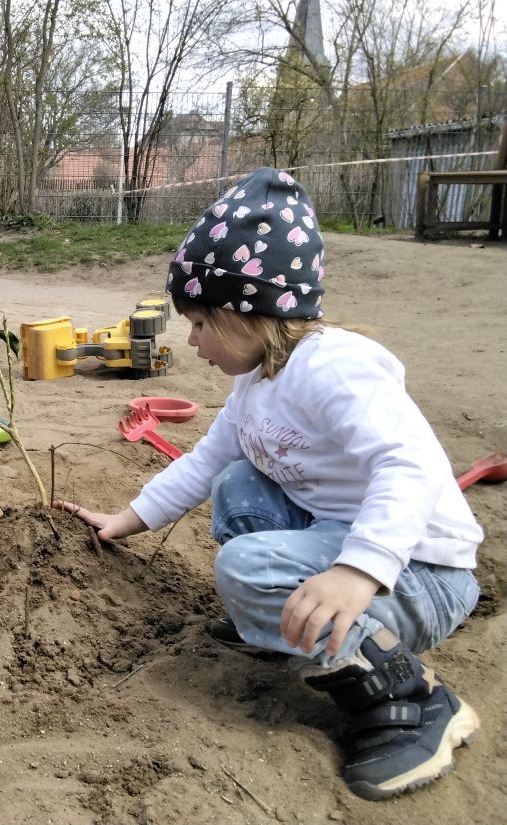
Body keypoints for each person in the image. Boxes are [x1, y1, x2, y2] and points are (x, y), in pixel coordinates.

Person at [55, 167, 483, 801]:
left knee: (245, 568)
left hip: (420, 575)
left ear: (244, 311)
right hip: (341, 544)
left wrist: (358, 572)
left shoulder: (334, 367)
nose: (194, 342)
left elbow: (410, 465)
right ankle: (278, 621)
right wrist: (124, 520)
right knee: (236, 481)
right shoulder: (254, 384)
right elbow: (203, 464)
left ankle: (414, 700)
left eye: (200, 324)